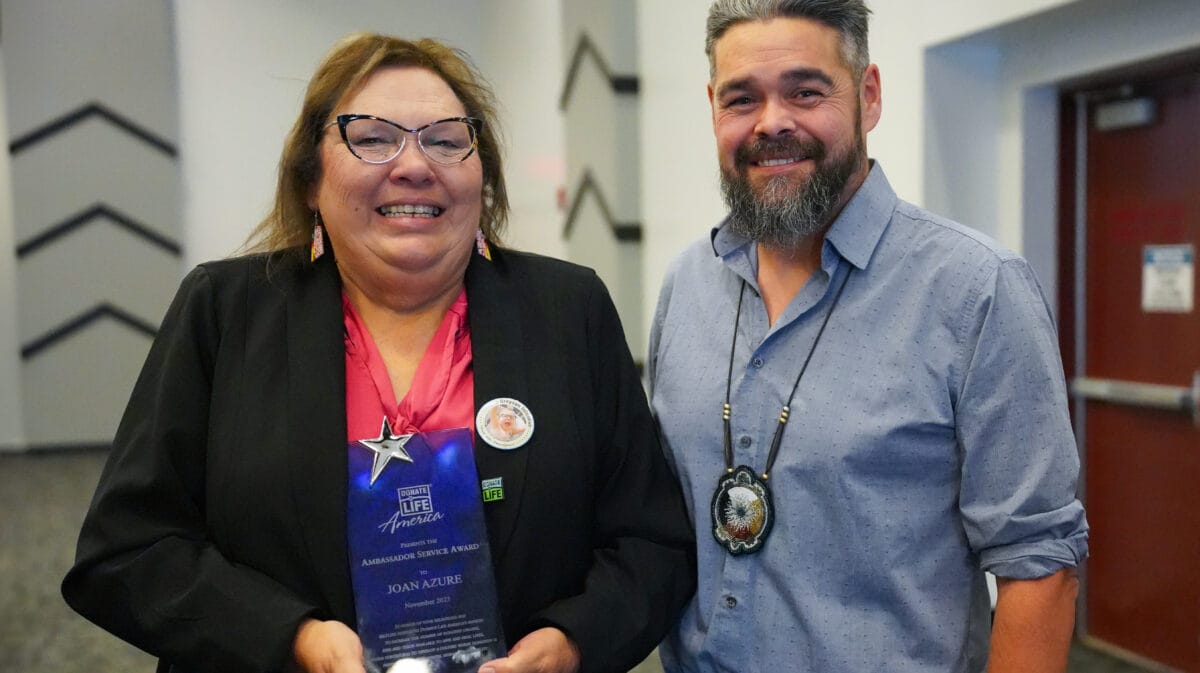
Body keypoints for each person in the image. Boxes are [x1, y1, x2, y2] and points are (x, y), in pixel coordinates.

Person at [63, 33, 694, 673]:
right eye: (371, 138)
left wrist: (570, 645)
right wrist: (295, 640)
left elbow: (652, 542)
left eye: (447, 140)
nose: (415, 165)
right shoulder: (223, 313)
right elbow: (128, 551)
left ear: (484, 175)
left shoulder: (569, 309)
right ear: (311, 179)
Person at [647, 1, 1088, 672]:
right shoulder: (687, 283)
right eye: (742, 98)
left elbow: (1040, 566)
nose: (772, 123)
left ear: (868, 95)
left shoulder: (977, 290)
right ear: (713, 108)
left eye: (805, 91)